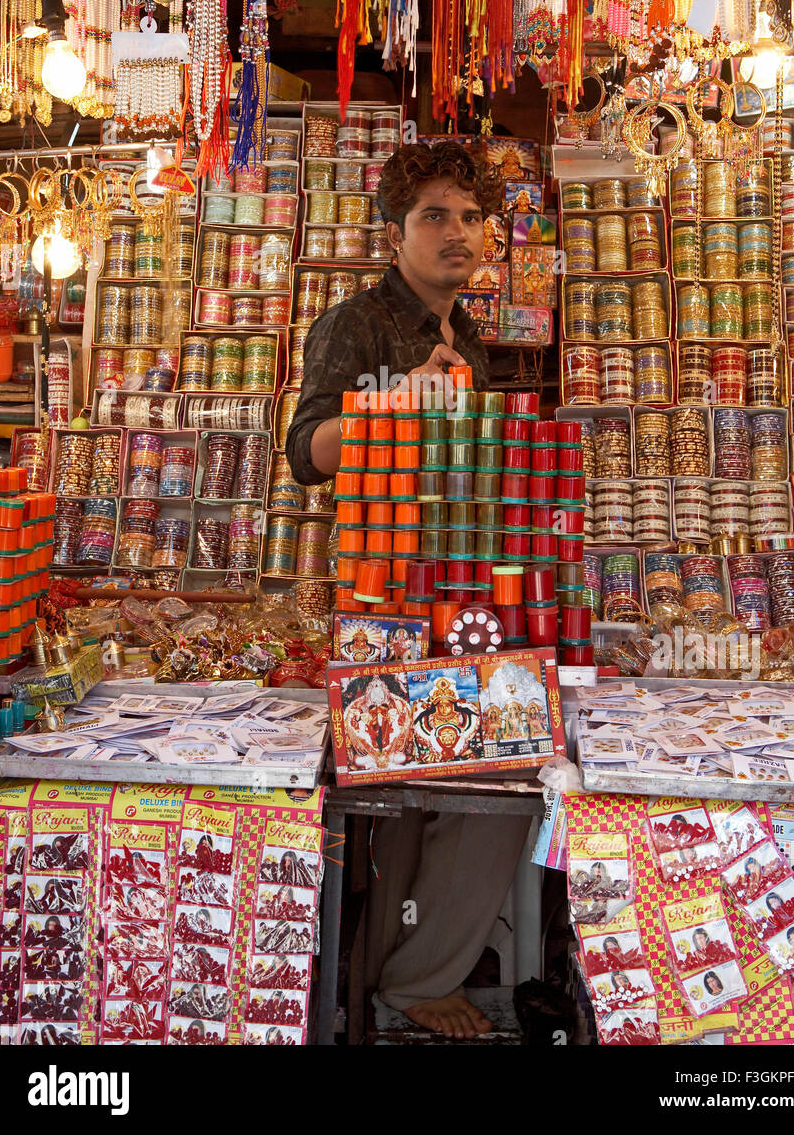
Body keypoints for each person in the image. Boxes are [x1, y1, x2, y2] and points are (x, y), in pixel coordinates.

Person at [287, 140, 533, 1040]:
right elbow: (304, 452)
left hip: (457, 594)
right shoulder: (355, 326)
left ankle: (407, 974)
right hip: (374, 596)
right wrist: (395, 407)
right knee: (398, 802)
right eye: (435, 215)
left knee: (479, 782)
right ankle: (401, 980)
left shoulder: (470, 340)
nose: (458, 232)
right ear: (395, 232)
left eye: (471, 216)